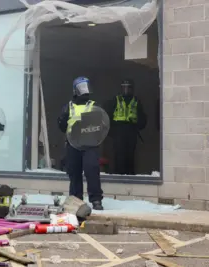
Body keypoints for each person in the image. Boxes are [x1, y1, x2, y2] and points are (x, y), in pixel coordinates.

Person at [57, 76, 104, 210]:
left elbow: (101, 124)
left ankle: (96, 199)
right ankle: (76, 200)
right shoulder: (68, 107)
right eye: (81, 88)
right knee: (74, 172)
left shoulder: (94, 106)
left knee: (92, 170)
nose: (85, 90)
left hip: (90, 144)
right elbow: (62, 127)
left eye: (86, 87)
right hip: (73, 143)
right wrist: (62, 118)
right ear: (75, 90)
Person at [106, 79, 147, 175]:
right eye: (124, 87)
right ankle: (118, 175)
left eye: (128, 87)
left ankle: (130, 175)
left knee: (130, 155)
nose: (126, 90)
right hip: (119, 129)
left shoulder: (136, 101)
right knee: (119, 154)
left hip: (131, 129)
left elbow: (142, 117)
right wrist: (112, 131)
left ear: (132, 89)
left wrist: (138, 126)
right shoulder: (115, 100)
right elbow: (108, 115)